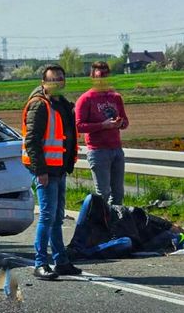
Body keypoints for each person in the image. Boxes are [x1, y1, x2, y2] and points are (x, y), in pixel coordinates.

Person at [22, 64, 82, 280]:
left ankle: (61, 261)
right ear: (43, 83)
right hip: (46, 170)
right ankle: (40, 263)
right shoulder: (40, 106)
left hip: (58, 169)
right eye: (52, 79)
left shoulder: (61, 105)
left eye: (60, 79)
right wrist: (40, 171)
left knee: (57, 217)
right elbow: (32, 140)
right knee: (47, 217)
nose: (56, 83)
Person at [75, 61, 129, 206]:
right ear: (92, 77)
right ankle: (98, 223)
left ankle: (114, 223)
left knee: (118, 193)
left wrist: (120, 123)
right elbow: (79, 126)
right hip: (98, 151)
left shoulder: (115, 97)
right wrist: (102, 125)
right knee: (103, 193)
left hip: (116, 149)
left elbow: (125, 121)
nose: (103, 79)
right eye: (100, 76)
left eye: (106, 75)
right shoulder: (86, 99)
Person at [67, 193, 184, 260]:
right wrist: (168, 225)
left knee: (126, 242)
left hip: (140, 240)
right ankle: (76, 248)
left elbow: (129, 242)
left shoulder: (166, 235)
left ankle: (81, 252)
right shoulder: (120, 213)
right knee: (91, 198)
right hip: (131, 231)